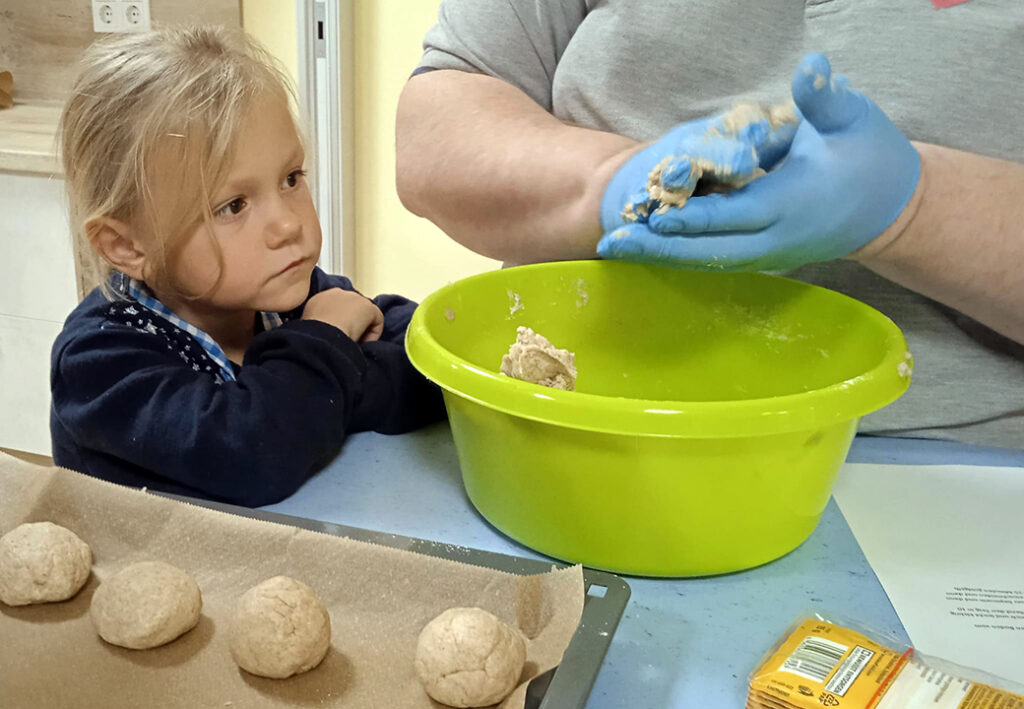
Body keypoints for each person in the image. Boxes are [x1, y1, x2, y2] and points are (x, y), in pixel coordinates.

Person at [396, 0, 1024, 449]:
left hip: (953, 473)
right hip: (571, 434)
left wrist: (916, 207)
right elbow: (437, 131)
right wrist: (608, 180)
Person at [51, 26, 445, 507]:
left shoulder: (289, 298)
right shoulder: (100, 361)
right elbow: (252, 454)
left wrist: (331, 379)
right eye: (233, 205)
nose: (287, 225)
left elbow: (425, 365)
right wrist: (332, 357)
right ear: (128, 245)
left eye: (291, 178)